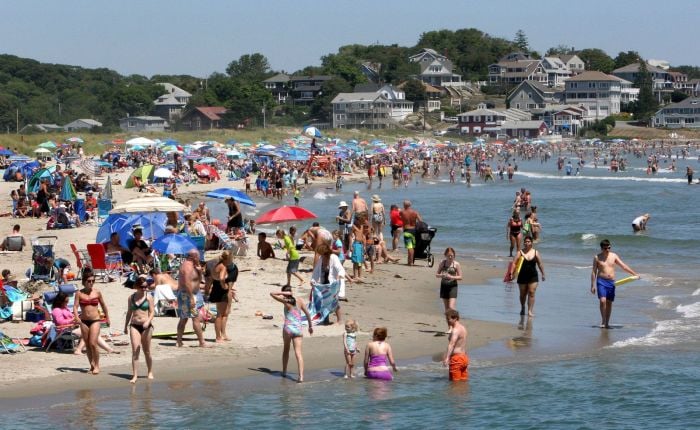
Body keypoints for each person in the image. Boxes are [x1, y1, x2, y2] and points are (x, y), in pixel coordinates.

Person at [591, 239, 638, 329]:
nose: (608, 250)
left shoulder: (614, 256)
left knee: (609, 302)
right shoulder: (597, 257)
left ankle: (607, 323)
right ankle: (603, 320)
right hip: (601, 281)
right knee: (602, 301)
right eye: (605, 248)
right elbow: (593, 271)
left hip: (611, 282)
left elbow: (623, 266)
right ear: (601, 248)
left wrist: (634, 274)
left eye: (609, 247)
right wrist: (592, 285)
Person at [270, 285, 313, 382]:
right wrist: (310, 326)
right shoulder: (300, 300)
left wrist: (284, 293)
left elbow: (272, 293)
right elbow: (307, 314)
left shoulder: (286, 301)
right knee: (299, 353)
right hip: (298, 329)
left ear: (285, 293)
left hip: (288, 329)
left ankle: (284, 372)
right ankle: (301, 377)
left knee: (286, 350)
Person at [51, 291, 117, 355]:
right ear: (60, 301)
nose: (67, 303)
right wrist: (73, 320)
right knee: (89, 332)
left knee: (93, 332)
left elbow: (71, 317)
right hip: (64, 330)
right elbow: (60, 323)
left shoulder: (65, 308)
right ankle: (79, 350)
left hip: (72, 328)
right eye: (66, 301)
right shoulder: (56, 310)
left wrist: (78, 317)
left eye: (67, 301)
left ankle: (109, 349)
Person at [73, 271, 110, 375]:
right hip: (84, 321)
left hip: (95, 320)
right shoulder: (79, 293)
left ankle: (97, 365)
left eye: (93, 281)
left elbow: (103, 305)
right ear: (84, 282)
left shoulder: (97, 292)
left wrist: (107, 318)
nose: (91, 283)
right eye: (89, 281)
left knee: (93, 343)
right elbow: (75, 307)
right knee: (88, 345)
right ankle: (92, 365)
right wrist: (76, 317)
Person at [123, 276, 154, 383]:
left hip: (146, 326)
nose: (145, 289)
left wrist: (148, 321)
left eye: (146, 287)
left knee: (147, 351)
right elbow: (129, 313)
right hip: (134, 325)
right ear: (136, 286)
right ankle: (135, 375)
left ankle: (149, 371)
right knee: (135, 350)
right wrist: (125, 326)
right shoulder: (131, 298)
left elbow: (152, 312)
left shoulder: (149, 297)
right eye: (142, 287)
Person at [176, 249, 210, 347]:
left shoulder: (194, 265)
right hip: (187, 295)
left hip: (195, 294)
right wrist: (191, 298)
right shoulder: (187, 267)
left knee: (186, 318)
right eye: (198, 256)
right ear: (193, 256)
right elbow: (187, 283)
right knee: (194, 318)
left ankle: (179, 341)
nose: (200, 257)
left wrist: (200, 271)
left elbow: (198, 280)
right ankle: (201, 342)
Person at [311, 242, 346, 324]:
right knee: (323, 301)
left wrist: (339, 276)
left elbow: (340, 269)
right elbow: (316, 271)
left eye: (322, 254)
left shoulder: (333, 257)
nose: (320, 255)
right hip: (324, 282)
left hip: (333, 283)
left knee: (334, 301)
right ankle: (325, 319)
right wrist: (313, 280)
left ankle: (340, 320)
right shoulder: (321, 259)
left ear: (325, 253)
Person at [511, 236, 545, 317]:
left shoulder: (536, 252)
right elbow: (514, 263)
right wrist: (512, 273)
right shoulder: (520, 252)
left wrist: (543, 273)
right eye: (525, 241)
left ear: (531, 243)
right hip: (522, 276)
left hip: (533, 276)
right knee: (522, 294)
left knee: (531, 293)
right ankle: (523, 307)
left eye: (528, 241)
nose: (527, 243)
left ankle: (530, 311)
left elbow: (540, 264)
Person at [206, 251, 233, 343]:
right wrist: (224, 285)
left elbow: (211, 278)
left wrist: (207, 289)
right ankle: (218, 337)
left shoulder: (216, 265)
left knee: (221, 313)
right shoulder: (223, 266)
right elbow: (221, 278)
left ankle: (221, 335)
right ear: (228, 259)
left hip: (215, 287)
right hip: (220, 289)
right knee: (220, 314)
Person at [436, 247, 463, 323]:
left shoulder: (456, 264)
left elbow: (460, 277)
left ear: (454, 255)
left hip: (453, 287)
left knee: (451, 307)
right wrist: (442, 275)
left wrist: (452, 277)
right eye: (448, 255)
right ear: (445, 255)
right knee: (447, 310)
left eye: (452, 255)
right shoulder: (443, 263)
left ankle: (455, 324)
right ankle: (450, 328)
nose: (450, 257)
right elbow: (437, 274)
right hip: (444, 286)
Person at [443, 309, 469, 382]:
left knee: (455, 383)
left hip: (456, 359)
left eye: (449, 319)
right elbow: (462, 343)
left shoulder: (456, 330)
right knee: (464, 382)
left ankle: (455, 393)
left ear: (455, 318)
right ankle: (464, 394)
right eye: (446, 319)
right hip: (464, 358)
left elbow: (452, 344)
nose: (447, 321)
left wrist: (447, 358)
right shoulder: (463, 328)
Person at [399, 200, 422, 266]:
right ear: (410, 205)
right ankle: (410, 261)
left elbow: (398, 217)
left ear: (404, 205)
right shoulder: (415, 212)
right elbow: (420, 221)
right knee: (412, 246)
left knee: (410, 247)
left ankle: (410, 262)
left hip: (407, 231)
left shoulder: (402, 212)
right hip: (414, 231)